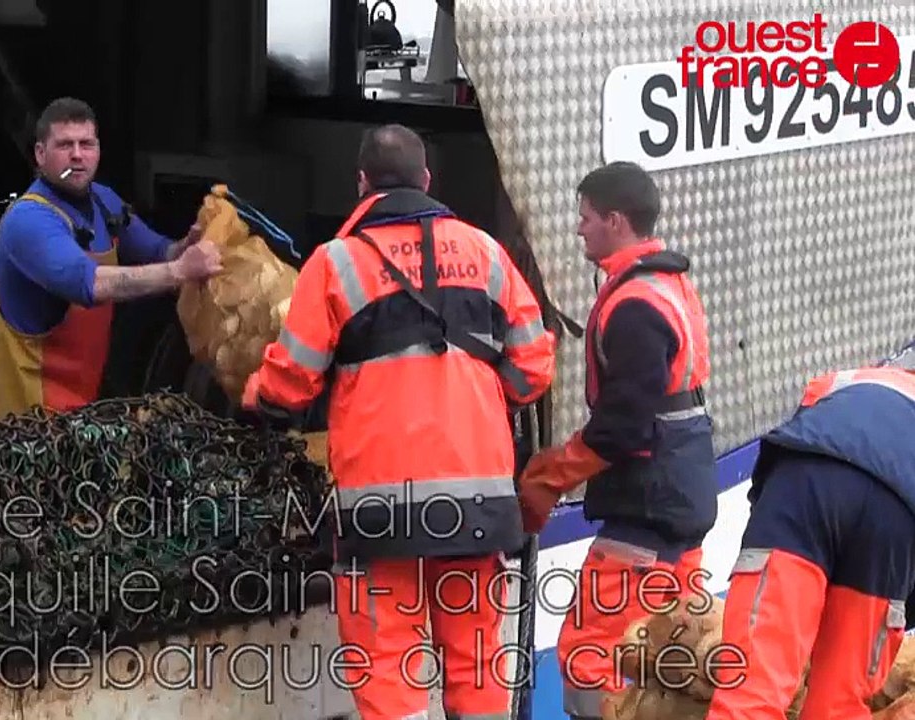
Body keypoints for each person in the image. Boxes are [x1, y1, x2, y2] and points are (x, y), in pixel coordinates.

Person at [241, 124, 557, 720]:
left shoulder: (334, 263)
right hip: (478, 503)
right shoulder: (488, 253)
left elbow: (292, 382)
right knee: (478, 661)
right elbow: (535, 368)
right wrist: (483, 400)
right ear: (428, 181)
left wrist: (256, 396)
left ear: (360, 183)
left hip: (381, 508)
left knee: (388, 668)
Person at [516, 161, 718, 720]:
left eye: (585, 218)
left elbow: (625, 424)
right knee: (668, 664)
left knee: (590, 655)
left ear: (614, 220)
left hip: (645, 518)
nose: (578, 229)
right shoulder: (668, 284)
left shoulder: (634, 306)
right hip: (678, 507)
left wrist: (547, 476)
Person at [0, 97, 222, 419]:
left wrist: (184, 248)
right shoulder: (30, 219)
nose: (77, 156)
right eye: (65, 145)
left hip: (83, 408)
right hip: (29, 420)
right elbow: (91, 284)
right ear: (40, 154)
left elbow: (156, 250)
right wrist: (180, 270)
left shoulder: (103, 202)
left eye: (86, 144)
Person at [704, 362, 915, 720]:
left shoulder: (851, 380)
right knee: (837, 705)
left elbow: (789, 445)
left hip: (801, 495)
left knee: (751, 694)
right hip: (892, 522)